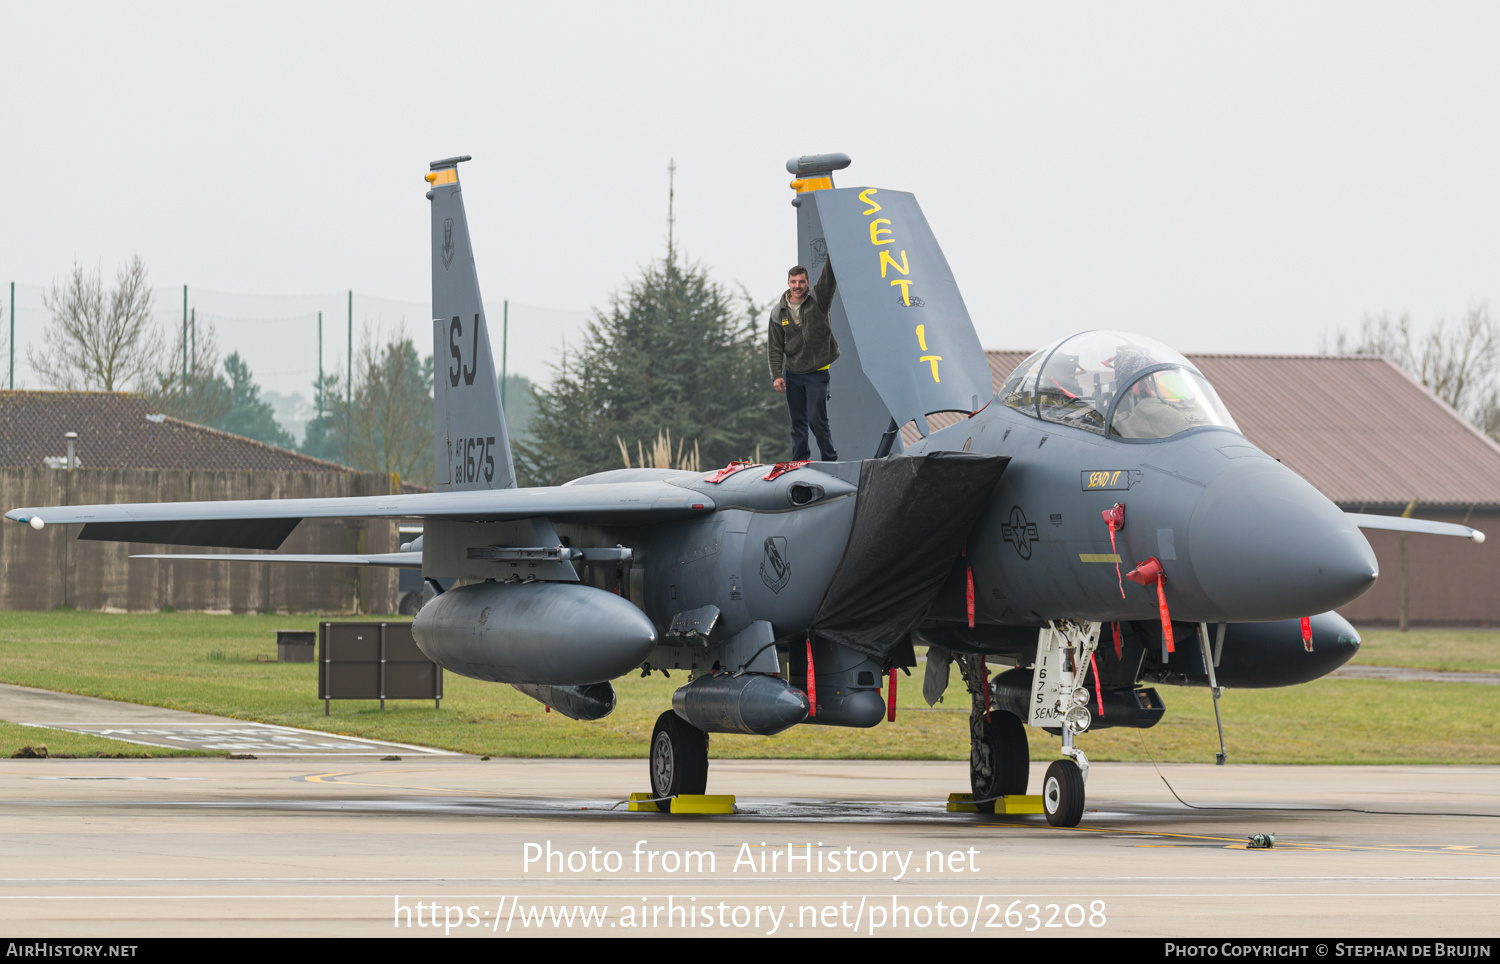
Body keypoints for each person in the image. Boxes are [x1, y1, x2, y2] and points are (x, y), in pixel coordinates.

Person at [768, 260, 839, 461]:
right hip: (793, 374)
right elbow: (774, 347)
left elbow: (828, 277)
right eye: (793, 282)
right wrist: (776, 376)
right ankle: (799, 461)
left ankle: (830, 459)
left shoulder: (818, 300)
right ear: (788, 283)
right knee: (797, 422)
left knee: (817, 419)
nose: (797, 286)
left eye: (801, 282)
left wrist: (832, 246)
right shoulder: (778, 312)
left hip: (817, 372)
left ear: (807, 283)